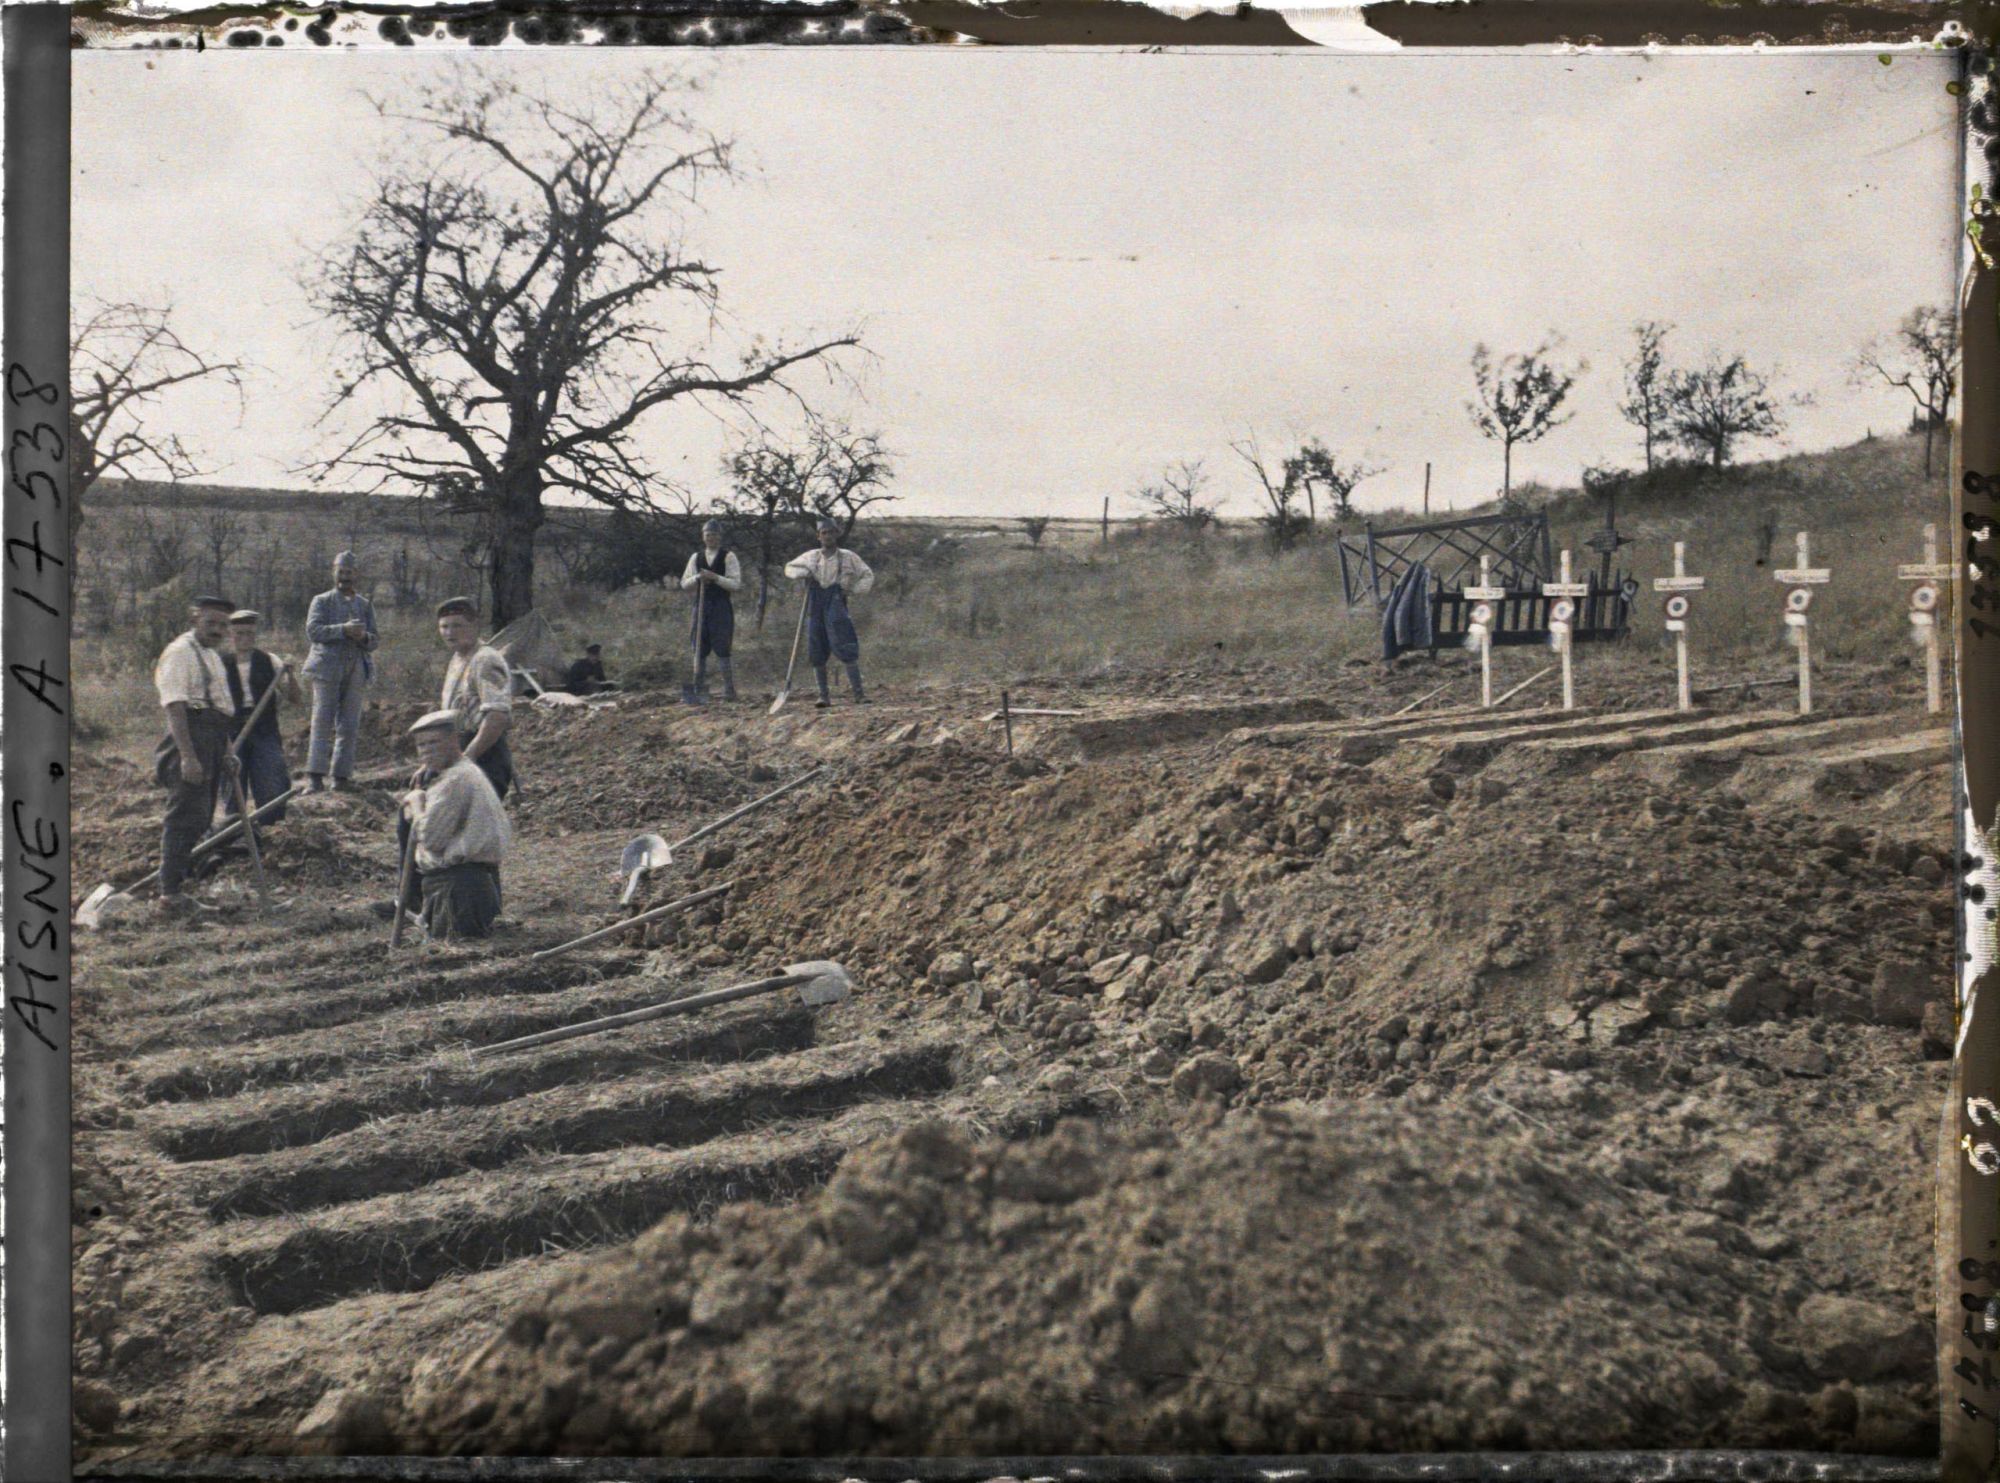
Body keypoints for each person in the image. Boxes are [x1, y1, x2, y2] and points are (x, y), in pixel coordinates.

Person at [153, 596, 240, 916]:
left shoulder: (213, 656)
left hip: (213, 739)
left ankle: (177, 884)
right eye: (210, 623)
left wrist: (228, 750)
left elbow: (219, 709)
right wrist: (188, 757)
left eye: (223, 625)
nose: (217, 630)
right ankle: (170, 897)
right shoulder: (179, 653)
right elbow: (175, 708)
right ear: (194, 619)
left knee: (202, 817)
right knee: (185, 817)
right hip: (189, 740)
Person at [398, 711, 511, 940]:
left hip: (459, 889)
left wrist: (417, 804)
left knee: (454, 955)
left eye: (434, 742)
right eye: (422, 745)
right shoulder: (462, 772)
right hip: (461, 885)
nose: (428, 751)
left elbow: (431, 840)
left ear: (454, 741)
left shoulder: (455, 780)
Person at [302, 551, 378, 793]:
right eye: (341, 571)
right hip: (327, 667)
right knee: (322, 721)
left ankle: (341, 778)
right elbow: (313, 631)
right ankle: (314, 777)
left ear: (357, 575)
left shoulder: (364, 605)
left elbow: (375, 639)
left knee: (349, 724)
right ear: (334, 572)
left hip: (356, 666)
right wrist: (343, 630)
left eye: (349, 572)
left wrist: (364, 636)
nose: (345, 577)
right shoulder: (321, 601)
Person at [221, 610, 302, 825]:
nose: (244, 639)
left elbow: (295, 698)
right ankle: (235, 835)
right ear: (231, 635)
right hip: (231, 734)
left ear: (255, 635)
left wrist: (290, 674)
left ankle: (270, 829)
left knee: (273, 781)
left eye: (249, 633)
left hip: (264, 730)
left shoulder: (270, 661)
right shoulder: (218, 664)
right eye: (239, 634)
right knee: (232, 785)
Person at [785, 516, 875, 707]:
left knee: (845, 643)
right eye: (824, 533)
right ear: (818, 536)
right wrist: (804, 573)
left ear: (837, 534)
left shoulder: (849, 556)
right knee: (816, 646)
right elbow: (789, 568)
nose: (828, 536)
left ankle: (859, 694)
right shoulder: (811, 557)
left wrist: (852, 589)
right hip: (815, 602)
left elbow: (867, 575)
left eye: (831, 532)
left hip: (836, 602)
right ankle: (823, 696)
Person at [435, 597, 515, 798]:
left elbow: (497, 717)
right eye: (444, 626)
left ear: (475, 625)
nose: (449, 632)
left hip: (484, 755)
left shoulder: (485, 659)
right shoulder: (457, 659)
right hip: (460, 749)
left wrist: (468, 758)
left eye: (457, 625)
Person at [681, 519, 743, 701]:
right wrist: (698, 578)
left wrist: (715, 577)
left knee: (722, 646)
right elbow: (684, 583)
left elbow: (736, 584)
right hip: (700, 606)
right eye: (708, 535)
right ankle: (698, 689)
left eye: (714, 535)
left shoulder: (728, 557)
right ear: (703, 536)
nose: (711, 538)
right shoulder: (696, 557)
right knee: (699, 647)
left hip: (721, 607)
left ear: (720, 537)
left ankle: (729, 690)